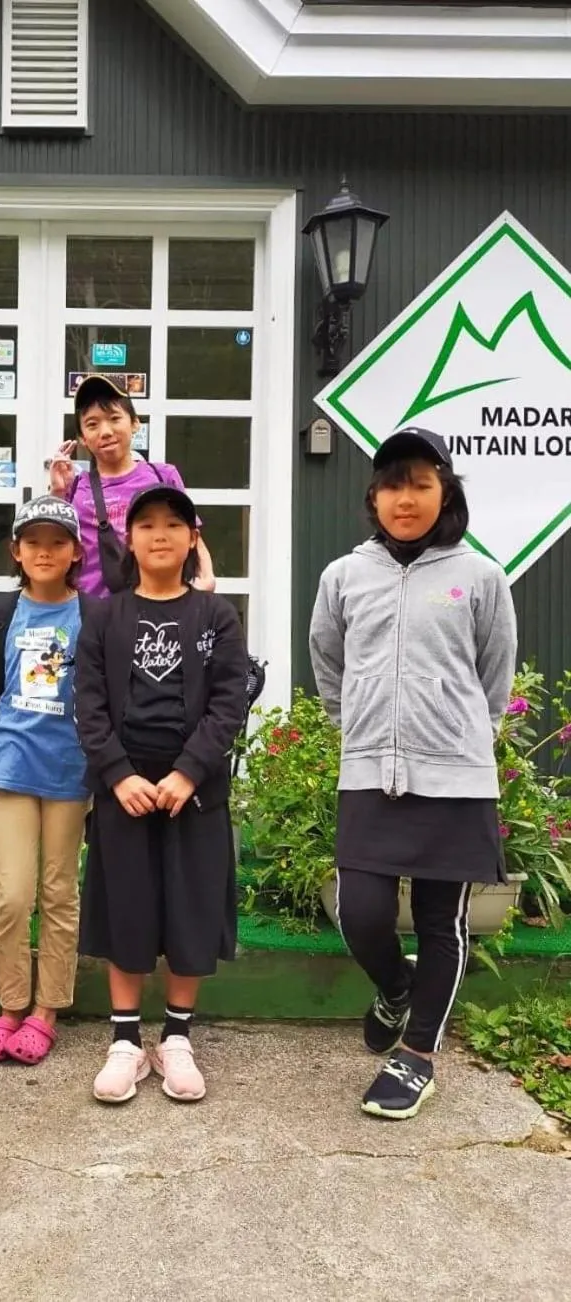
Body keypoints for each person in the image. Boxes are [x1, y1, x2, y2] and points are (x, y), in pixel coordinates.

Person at [309, 427, 518, 1121]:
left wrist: (456, 739)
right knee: (360, 910)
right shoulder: (343, 576)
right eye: (393, 484)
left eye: (421, 484)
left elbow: (493, 678)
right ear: (373, 495)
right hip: (370, 767)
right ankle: (395, 988)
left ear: (444, 492)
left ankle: (417, 1056)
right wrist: (360, 729)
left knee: (440, 921)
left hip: (453, 776)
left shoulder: (479, 576)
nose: (406, 498)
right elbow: (328, 664)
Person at [74, 484, 247, 1104]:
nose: (160, 535)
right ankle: (125, 1041)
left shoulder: (216, 615)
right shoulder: (103, 614)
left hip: (192, 792)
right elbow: (88, 706)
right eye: (146, 524)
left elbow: (230, 704)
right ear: (130, 538)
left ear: (192, 538)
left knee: (190, 907)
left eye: (174, 524)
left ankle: (176, 1039)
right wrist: (118, 774)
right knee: (127, 906)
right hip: (125, 791)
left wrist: (189, 771)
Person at [0, 496, 90, 1065]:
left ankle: (46, 1010)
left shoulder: (92, 616)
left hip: (70, 769)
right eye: (33, 541)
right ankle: (11, 1003)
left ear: (75, 552)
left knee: (59, 892)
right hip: (11, 764)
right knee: (12, 893)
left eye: (57, 542)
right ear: (15, 550)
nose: (45, 551)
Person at [49, 374, 216, 598]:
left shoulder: (163, 475)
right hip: (90, 611)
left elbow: (190, 533)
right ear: (82, 438)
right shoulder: (77, 486)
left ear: (135, 423)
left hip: (154, 608)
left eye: (115, 418)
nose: (105, 431)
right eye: (92, 424)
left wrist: (206, 576)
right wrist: (58, 492)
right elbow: (52, 542)